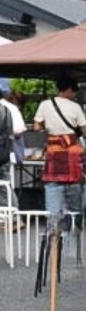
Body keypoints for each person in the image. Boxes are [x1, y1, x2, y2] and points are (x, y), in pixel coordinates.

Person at [34, 74, 86, 231]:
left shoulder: (45, 105)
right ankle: (76, 220)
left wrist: (51, 128)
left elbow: (37, 127)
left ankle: (54, 223)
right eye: (74, 92)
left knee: (52, 184)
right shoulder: (75, 107)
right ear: (69, 90)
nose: (73, 95)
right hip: (72, 151)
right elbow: (84, 130)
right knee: (74, 186)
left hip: (53, 150)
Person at [1, 83, 26, 215]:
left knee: (4, 187)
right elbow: (19, 129)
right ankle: (12, 217)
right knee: (5, 186)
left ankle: (13, 217)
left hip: (4, 154)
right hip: (5, 154)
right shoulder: (10, 108)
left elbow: (19, 129)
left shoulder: (7, 108)